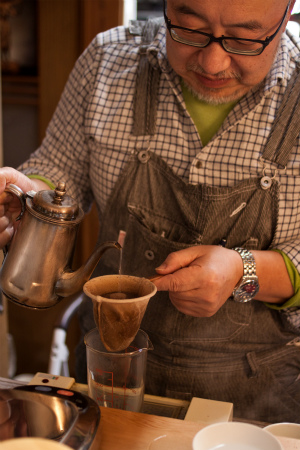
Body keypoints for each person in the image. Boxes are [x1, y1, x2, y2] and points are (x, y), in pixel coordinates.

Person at [0, 0, 300, 423]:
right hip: (107, 372)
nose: (213, 61)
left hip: (255, 396)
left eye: (244, 38)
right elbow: (58, 170)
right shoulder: (108, 61)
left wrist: (244, 270)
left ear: (286, 15)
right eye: (190, 28)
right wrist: (33, 192)